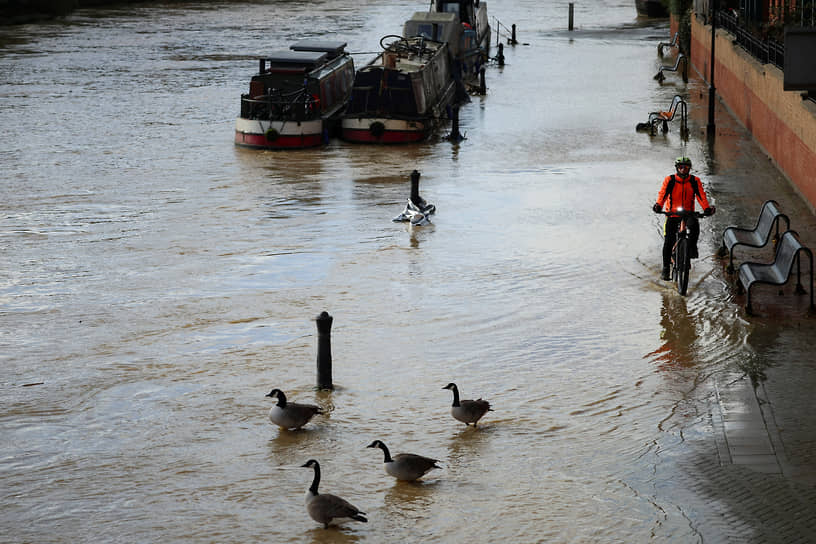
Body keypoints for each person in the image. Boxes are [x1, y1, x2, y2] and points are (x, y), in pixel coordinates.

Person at [653, 156, 716, 281]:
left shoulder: (694, 181)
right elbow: (663, 194)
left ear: (689, 169)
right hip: (672, 214)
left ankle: (691, 249)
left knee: (695, 227)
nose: (683, 169)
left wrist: (706, 208)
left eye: (686, 167)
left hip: (688, 213)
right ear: (677, 168)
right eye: (680, 167)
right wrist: (658, 205)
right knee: (668, 241)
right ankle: (666, 268)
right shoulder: (670, 180)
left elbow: (701, 195)